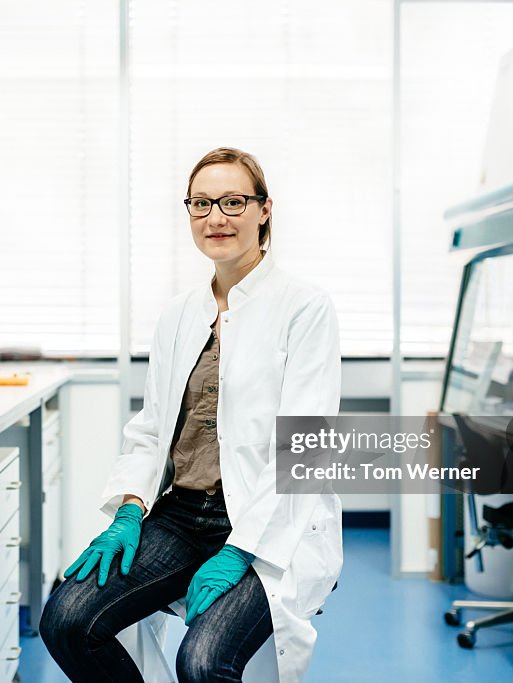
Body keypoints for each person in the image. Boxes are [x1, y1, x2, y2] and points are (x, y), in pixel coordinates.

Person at [40, 147, 343, 682]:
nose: (216, 218)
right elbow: (152, 428)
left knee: (203, 662)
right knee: (66, 620)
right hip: (181, 515)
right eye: (201, 204)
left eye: (232, 202)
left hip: (267, 523)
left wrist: (242, 550)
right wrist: (130, 510)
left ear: (264, 209)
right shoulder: (180, 315)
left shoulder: (303, 307)